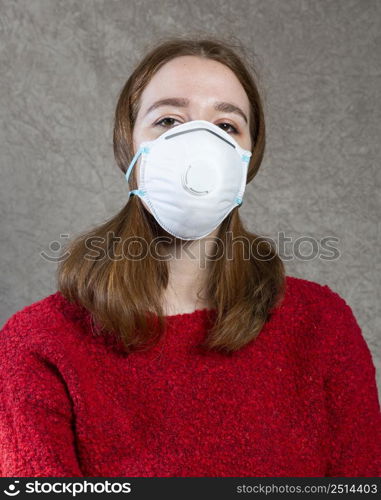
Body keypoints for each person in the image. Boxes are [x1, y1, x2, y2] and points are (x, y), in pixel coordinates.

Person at [0, 37, 380, 478]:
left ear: (248, 160)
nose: (198, 145)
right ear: (130, 148)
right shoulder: (39, 345)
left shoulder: (321, 326)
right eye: (168, 120)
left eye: (226, 127)